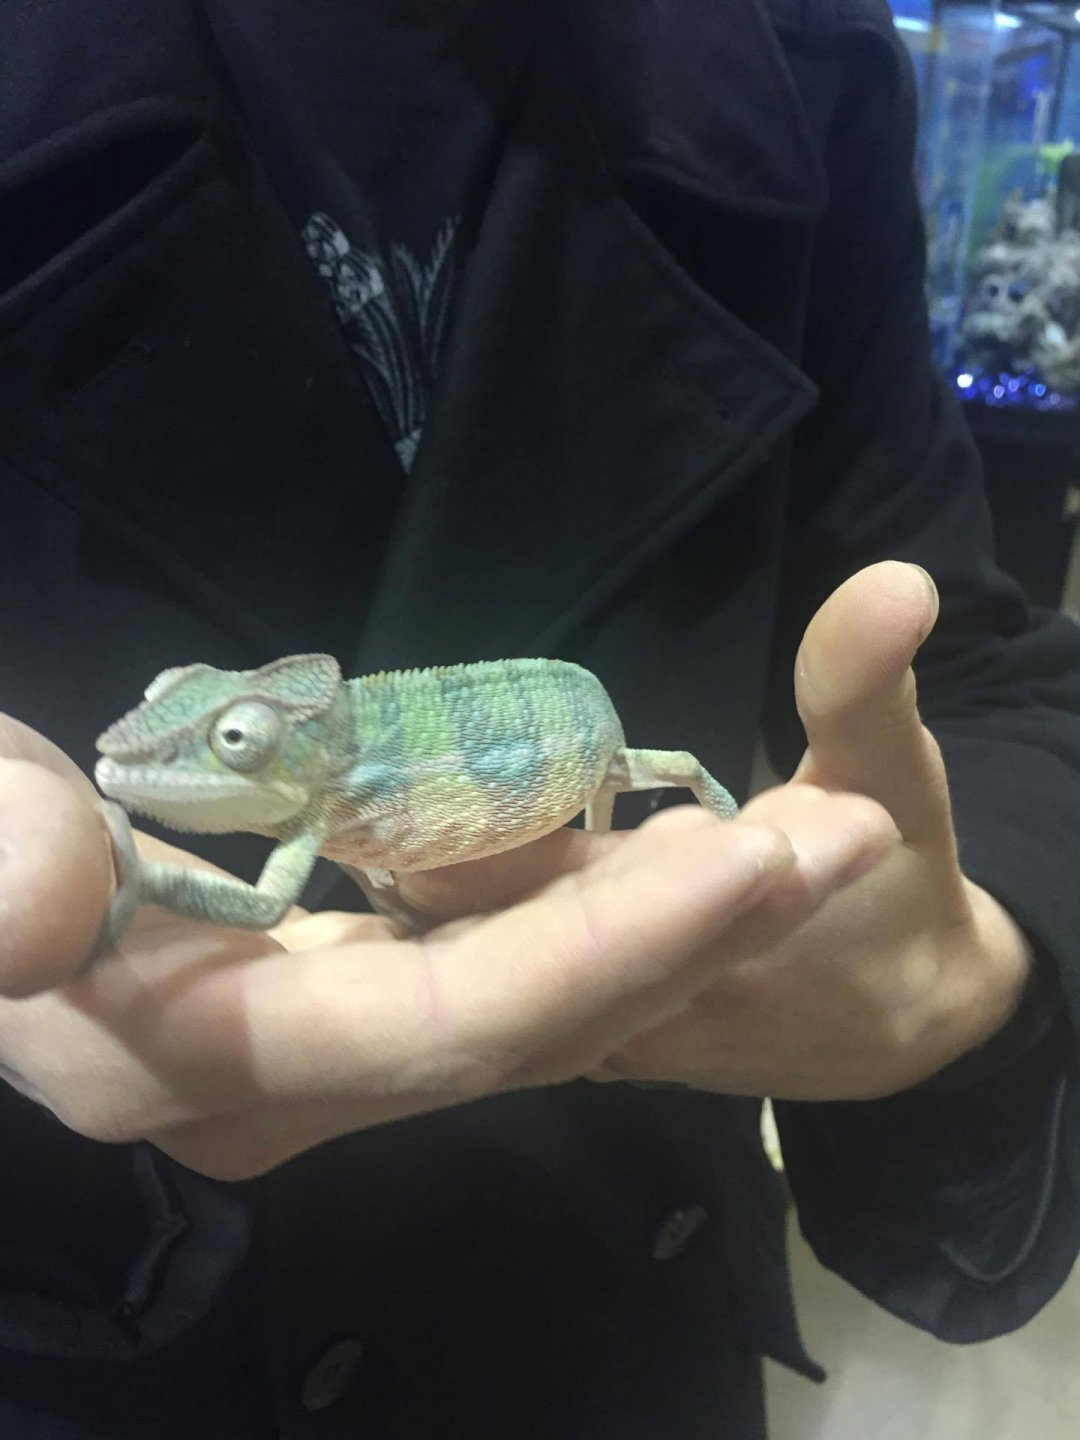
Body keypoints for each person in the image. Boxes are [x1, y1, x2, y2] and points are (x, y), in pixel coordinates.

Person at [0, 0, 1078, 1435]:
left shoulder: (802, 59)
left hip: (625, 1300)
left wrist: (976, 956)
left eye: (234, 743)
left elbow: (989, 664)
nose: (188, 759)